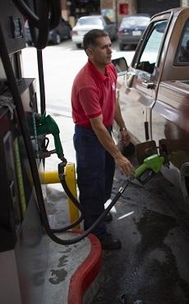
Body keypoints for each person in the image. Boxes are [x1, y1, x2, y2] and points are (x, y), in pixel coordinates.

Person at [71, 29, 135, 250]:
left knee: (106, 178)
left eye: (110, 45)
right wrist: (118, 155)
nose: (110, 50)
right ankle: (96, 233)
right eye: (103, 47)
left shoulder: (110, 69)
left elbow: (114, 100)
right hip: (89, 136)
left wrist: (123, 127)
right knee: (93, 183)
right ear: (89, 52)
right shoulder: (86, 83)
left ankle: (97, 211)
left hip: (104, 130)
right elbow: (96, 126)